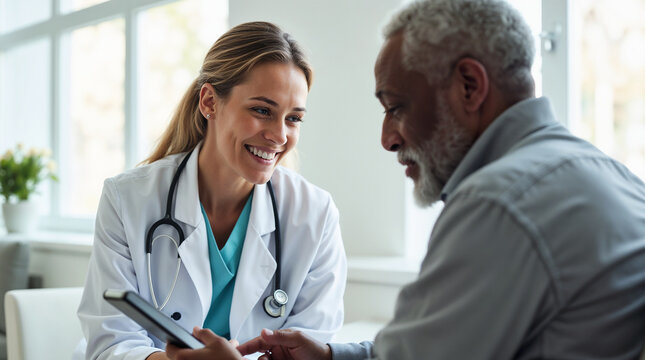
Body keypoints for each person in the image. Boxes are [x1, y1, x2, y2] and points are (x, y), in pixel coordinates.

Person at [164, 0, 645, 359]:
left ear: (469, 86)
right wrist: (333, 356)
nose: (387, 138)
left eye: (396, 106)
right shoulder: (610, 175)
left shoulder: (501, 203)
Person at [73, 21, 347, 360]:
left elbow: (311, 348)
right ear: (209, 102)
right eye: (262, 110)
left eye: (293, 119)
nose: (279, 136)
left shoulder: (315, 215)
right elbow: (110, 343)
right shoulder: (127, 199)